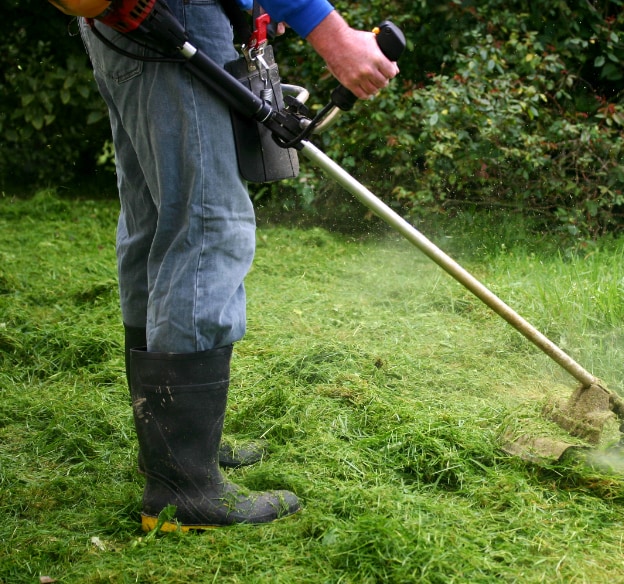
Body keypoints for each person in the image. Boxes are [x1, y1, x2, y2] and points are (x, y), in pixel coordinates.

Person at [50, 0, 399, 532]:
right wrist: (329, 31)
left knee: (158, 220)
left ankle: (172, 452)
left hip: (126, 22)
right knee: (205, 225)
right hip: (174, 15)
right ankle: (184, 490)